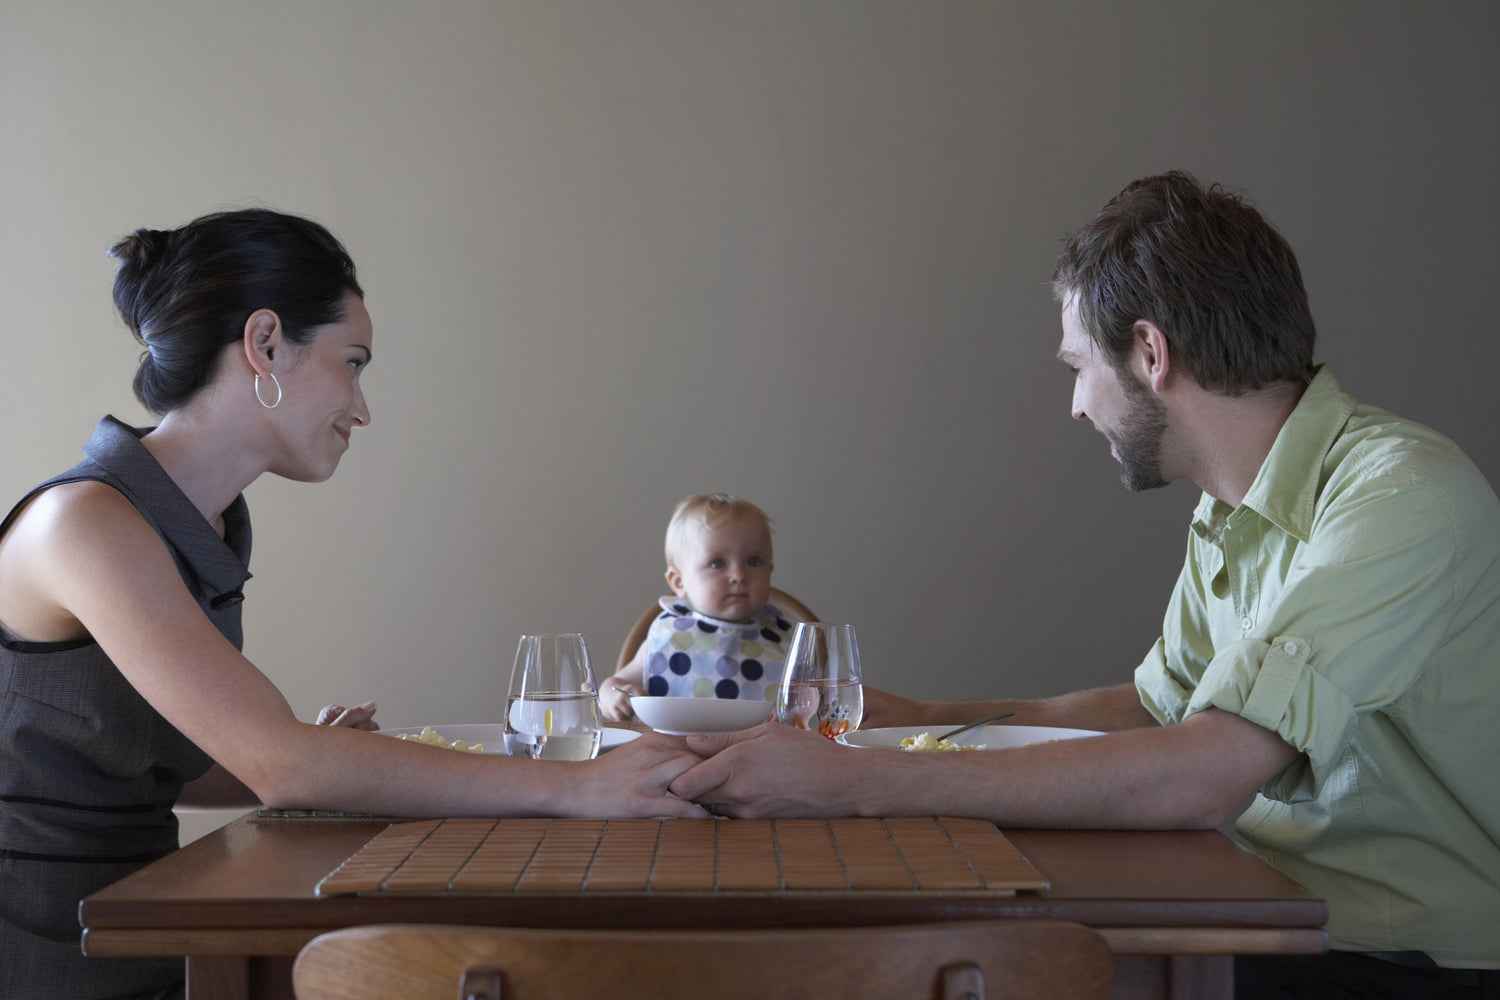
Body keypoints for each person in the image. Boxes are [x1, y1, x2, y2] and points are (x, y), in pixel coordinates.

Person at [669, 172, 1500, 997]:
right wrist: (926, 720)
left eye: (1078, 366)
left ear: (1150, 352)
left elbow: (1199, 774)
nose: (1075, 405)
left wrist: (855, 785)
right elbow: (1155, 709)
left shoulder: (1400, 498)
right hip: (1260, 911)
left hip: (1403, 962)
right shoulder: (1229, 509)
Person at [0, 209, 705, 1000]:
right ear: (265, 344)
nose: (361, 408)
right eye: (354, 362)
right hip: (51, 952)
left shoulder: (201, 523)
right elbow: (284, 767)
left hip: (150, 917)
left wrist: (334, 763)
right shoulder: (86, 524)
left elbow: (165, 765)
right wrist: (572, 790)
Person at [600, 493, 803, 722]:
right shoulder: (668, 636)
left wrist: (792, 713)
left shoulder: (783, 640)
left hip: (761, 755)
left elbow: (812, 702)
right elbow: (615, 684)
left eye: (753, 562)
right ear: (679, 582)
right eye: (717, 564)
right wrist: (612, 698)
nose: (738, 575)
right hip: (677, 752)